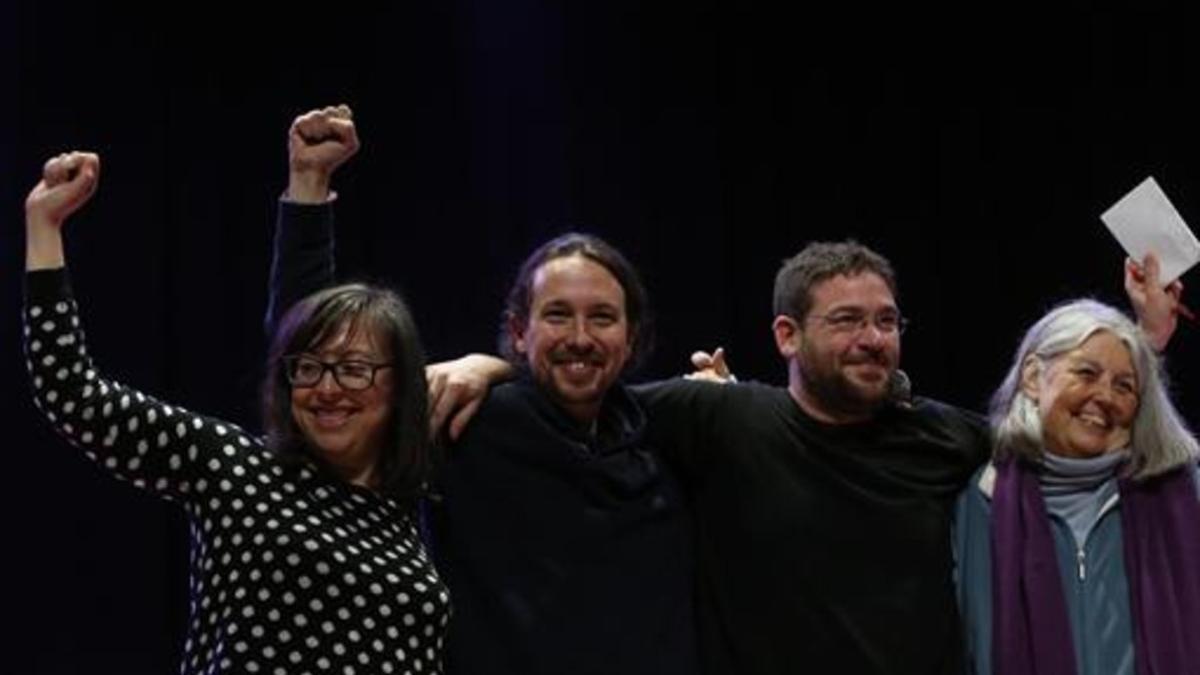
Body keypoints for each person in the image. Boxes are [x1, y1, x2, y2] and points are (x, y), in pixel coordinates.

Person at [269, 107, 699, 675]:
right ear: (519, 331)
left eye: (601, 317)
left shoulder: (670, 440)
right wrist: (308, 187)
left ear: (631, 336)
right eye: (557, 315)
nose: (579, 337)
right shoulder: (468, 419)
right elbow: (312, 354)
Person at [24, 151, 450, 675]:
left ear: (400, 385)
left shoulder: (409, 511)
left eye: (354, 369)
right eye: (308, 368)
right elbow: (73, 395)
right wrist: (44, 226)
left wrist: (492, 368)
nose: (327, 388)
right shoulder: (235, 467)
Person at [954, 299, 1200, 675]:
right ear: (1034, 378)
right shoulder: (978, 503)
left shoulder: (1185, 498)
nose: (1106, 397)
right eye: (1086, 373)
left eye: (1125, 386)